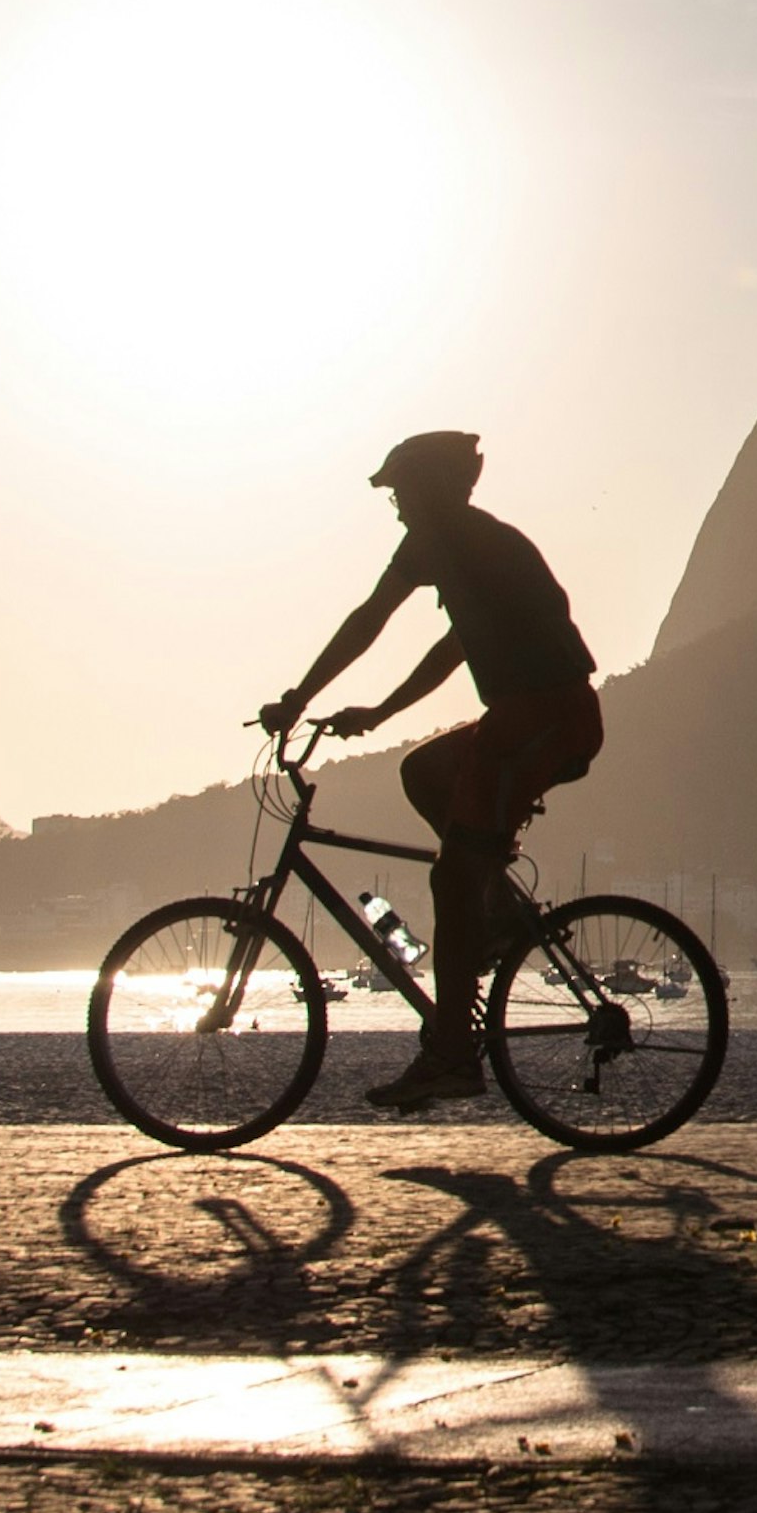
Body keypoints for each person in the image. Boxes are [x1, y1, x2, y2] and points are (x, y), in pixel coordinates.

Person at [259, 431, 603, 1110]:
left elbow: (370, 622)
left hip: (546, 718)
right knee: (424, 772)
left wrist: (301, 698)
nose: (396, 505)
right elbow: (445, 642)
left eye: (402, 492)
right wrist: (380, 711)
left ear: (437, 489)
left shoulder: (466, 542)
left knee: (451, 878)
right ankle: (497, 916)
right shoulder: (455, 544)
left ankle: (453, 1056)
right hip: (523, 716)